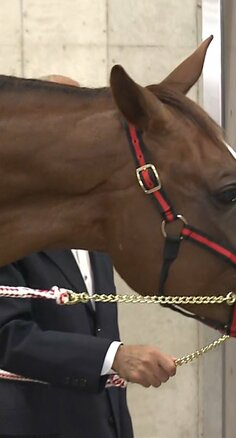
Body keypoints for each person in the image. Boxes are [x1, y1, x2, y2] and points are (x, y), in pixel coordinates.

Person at [0, 75, 177, 438]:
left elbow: (98, 328)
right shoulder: (10, 225)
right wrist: (114, 357)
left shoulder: (100, 227)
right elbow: (10, 338)